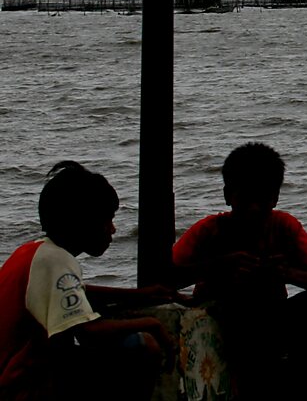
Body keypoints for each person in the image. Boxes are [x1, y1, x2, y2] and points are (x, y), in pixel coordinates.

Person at [0, 161, 176, 400]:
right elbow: (88, 332)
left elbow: (77, 293)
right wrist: (150, 324)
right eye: (107, 220)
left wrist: (141, 295)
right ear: (84, 222)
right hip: (20, 386)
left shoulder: (33, 253)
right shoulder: (56, 260)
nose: (113, 230)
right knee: (142, 347)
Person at [172, 143, 307, 393]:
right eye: (246, 199)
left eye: (262, 200)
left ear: (275, 197)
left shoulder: (284, 226)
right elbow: (163, 277)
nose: (254, 209)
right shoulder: (209, 230)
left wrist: (286, 274)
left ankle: (291, 378)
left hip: (269, 322)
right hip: (218, 324)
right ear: (228, 195)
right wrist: (217, 268)